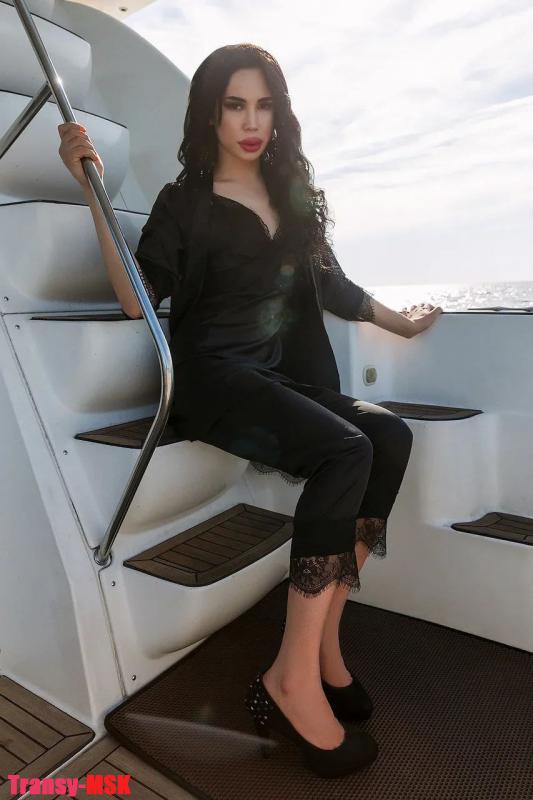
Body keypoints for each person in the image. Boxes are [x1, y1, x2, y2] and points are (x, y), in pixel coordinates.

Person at [58, 42, 442, 779]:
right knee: (346, 450)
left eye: (264, 105)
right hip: (211, 379)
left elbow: (333, 287)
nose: (251, 121)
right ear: (209, 114)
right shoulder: (184, 202)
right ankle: (290, 678)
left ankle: (322, 641)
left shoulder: (291, 195)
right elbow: (137, 296)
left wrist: (404, 323)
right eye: (234, 105)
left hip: (275, 376)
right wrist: (91, 190)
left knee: (388, 435)